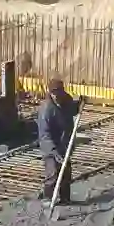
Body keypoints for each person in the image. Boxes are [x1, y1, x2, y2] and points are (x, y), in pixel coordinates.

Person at [37, 78, 80, 206]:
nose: (56, 96)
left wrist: (80, 104)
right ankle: (48, 198)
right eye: (53, 93)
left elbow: (73, 110)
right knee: (52, 173)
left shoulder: (67, 101)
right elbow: (45, 134)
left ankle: (65, 198)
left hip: (65, 144)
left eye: (58, 92)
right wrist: (53, 151)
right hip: (51, 147)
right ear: (50, 93)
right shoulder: (46, 110)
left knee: (66, 173)